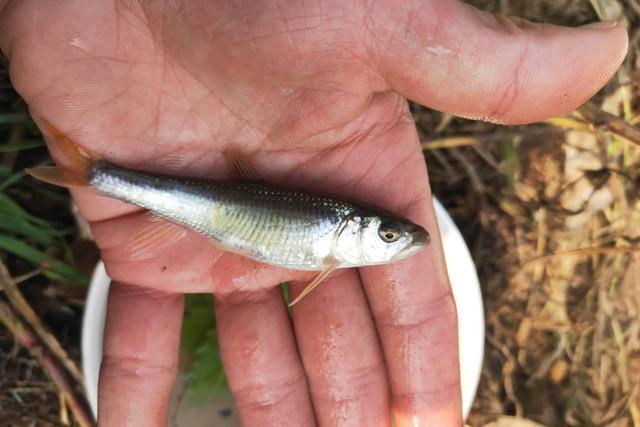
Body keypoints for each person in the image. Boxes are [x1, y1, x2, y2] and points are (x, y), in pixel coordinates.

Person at [0, 1, 627, 426]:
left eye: (391, 233)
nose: (400, 240)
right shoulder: (329, 238)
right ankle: (98, 174)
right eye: (386, 233)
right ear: (354, 231)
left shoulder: (333, 239)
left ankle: (98, 174)